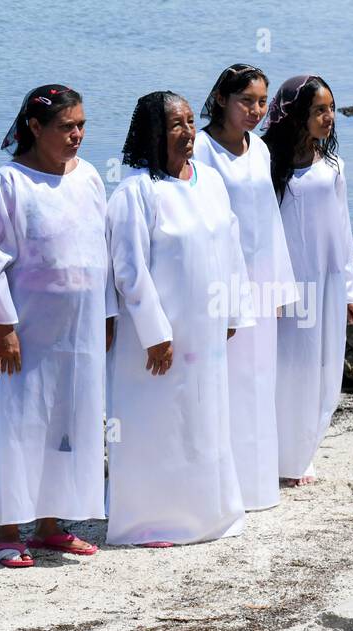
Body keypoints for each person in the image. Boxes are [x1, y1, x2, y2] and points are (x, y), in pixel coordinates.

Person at [105, 91, 253, 546]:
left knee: (204, 417)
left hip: (204, 329)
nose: (188, 132)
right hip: (157, 337)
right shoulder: (135, 191)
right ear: (154, 134)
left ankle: (209, 512)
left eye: (191, 122)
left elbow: (231, 246)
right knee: (156, 421)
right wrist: (155, 334)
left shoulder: (208, 180)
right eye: (176, 125)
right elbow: (129, 271)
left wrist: (232, 309)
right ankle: (148, 520)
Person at [0, 85, 109, 568]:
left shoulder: (91, 176)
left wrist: (109, 314)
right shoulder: (10, 182)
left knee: (69, 422)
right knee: (21, 423)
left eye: (81, 125)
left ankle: (51, 525)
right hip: (28, 329)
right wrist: (4, 326)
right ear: (35, 128)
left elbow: (104, 252)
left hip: (82, 327)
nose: (77, 135)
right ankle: (9, 530)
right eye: (66, 126)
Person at [194, 64, 299, 511]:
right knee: (221, 382)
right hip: (219, 283)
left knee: (258, 381)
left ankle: (256, 485)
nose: (256, 111)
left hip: (260, 282)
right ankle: (220, 483)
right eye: (246, 101)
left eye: (262, 101)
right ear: (221, 98)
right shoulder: (199, 148)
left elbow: (270, 219)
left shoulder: (258, 148)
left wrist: (279, 288)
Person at [261, 74, 353, 486]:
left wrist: (351, 289)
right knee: (287, 367)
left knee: (323, 366)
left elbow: (343, 230)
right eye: (319, 110)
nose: (329, 117)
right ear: (296, 115)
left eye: (331, 109)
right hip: (284, 285)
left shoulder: (335, 166)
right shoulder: (270, 164)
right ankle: (278, 457)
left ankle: (301, 453)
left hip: (326, 283)